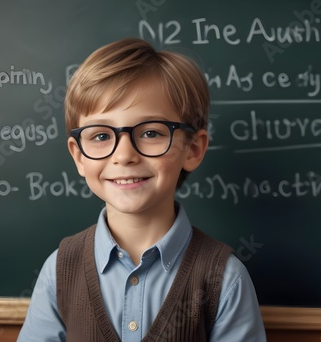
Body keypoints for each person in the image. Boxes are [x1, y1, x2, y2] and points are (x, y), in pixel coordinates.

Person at [18, 37, 266, 341]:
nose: (124, 155)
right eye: (100, 136)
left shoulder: (224, 278)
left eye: (150, 132)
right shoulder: (60, 270)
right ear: (79, 156)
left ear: (193, 149)